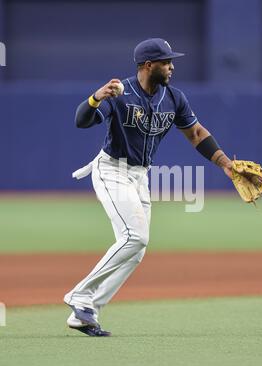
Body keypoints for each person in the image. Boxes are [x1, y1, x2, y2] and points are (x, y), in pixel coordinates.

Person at [64, 38, 233, 336]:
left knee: (136, 250)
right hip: (111, 170)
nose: (171, 66)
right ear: (147, 65)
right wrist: (96, 98)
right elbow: (82, 121)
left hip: (140, 177)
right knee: (136, 237)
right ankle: (80, 295)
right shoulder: (120, 92)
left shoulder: (174, 97)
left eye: (171, 61)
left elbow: (195, 132)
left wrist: (226, 164)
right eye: (166, 61)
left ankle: (87, 312)